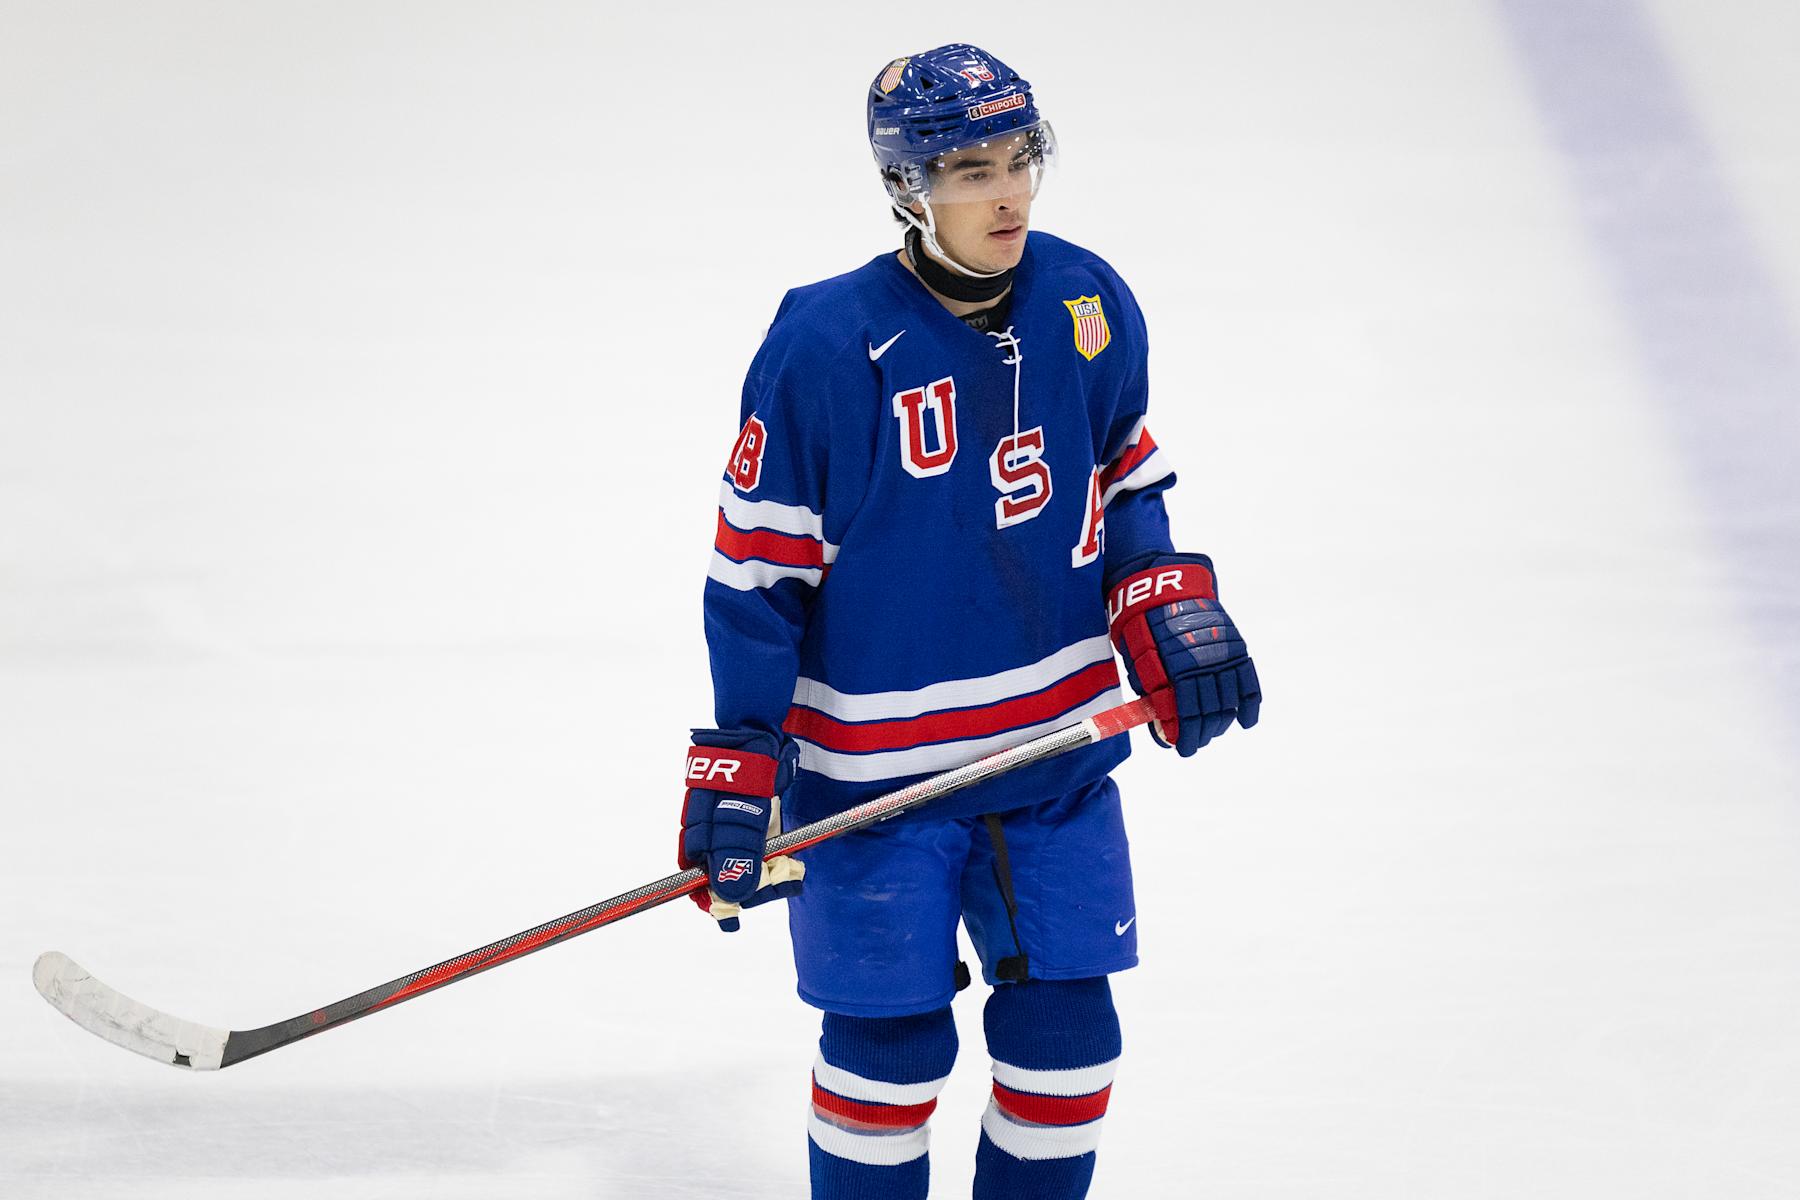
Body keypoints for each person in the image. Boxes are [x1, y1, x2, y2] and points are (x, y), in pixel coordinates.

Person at [678, 43, 1261, 1200]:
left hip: (1053, 755)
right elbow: (758, 571)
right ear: (907, 186)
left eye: (1018, 160)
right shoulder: (822, 348)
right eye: (968, 170)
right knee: (890, 1060)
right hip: (872, 785)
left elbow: (1124, 476)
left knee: (1069, 1046)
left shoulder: (1086, 297)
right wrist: (740, 755)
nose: (1007, 194)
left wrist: (1161, 598)